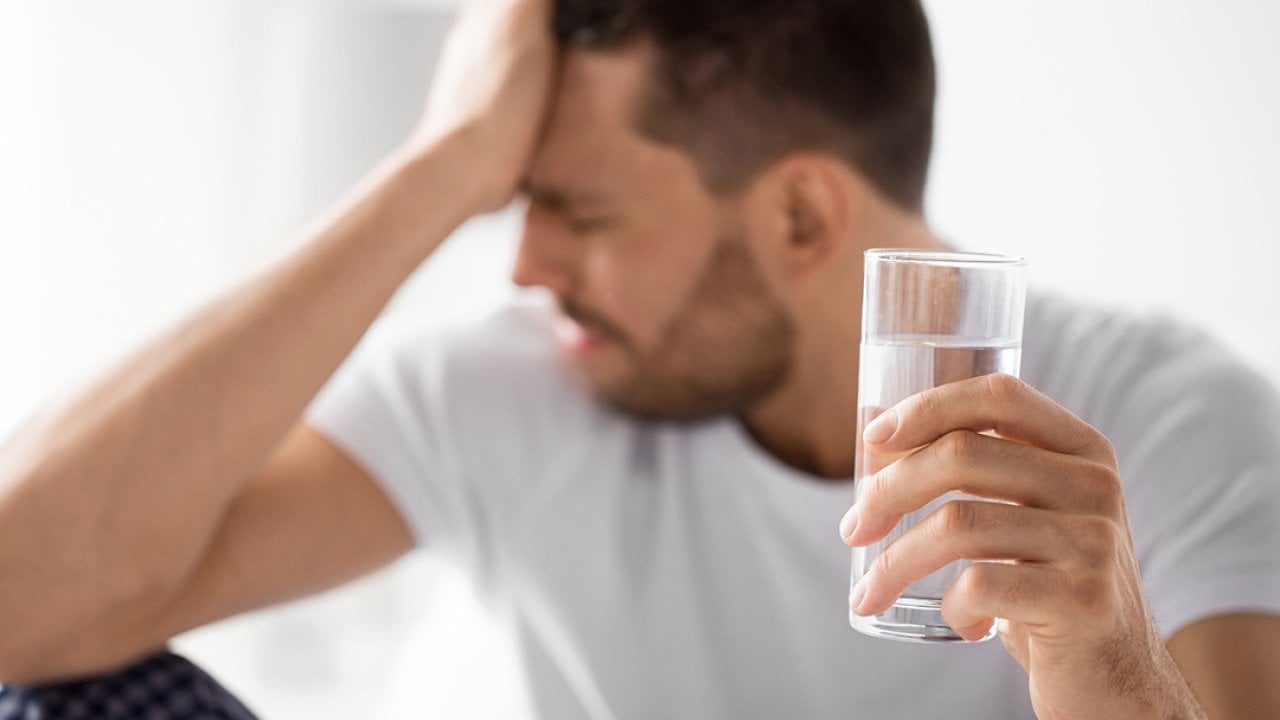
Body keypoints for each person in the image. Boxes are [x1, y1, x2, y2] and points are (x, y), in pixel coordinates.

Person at [1, 0, 1278, 717]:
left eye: (581, 213)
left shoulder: (1161, 423)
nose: (524, 264)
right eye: (510, 197)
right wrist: (432, 173)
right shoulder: (512, 386)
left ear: (798, 219)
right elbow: (20, 606)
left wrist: (1100, 658)